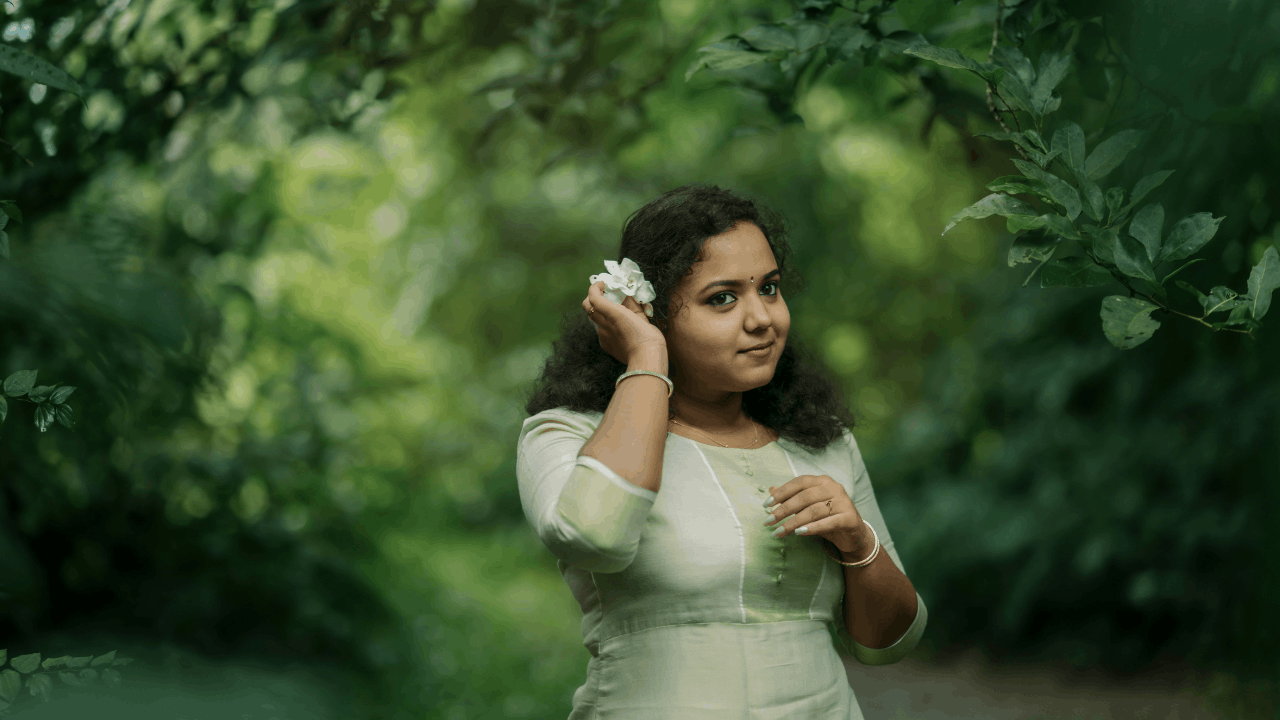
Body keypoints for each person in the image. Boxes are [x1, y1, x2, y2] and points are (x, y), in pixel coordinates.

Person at [518, 184, 927, 719]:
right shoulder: (568, 434)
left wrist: (857, 541)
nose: (762, 319)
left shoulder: (822, 443)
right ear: (650, 314)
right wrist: (645, 356)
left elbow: (889, 644)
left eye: (770, 288)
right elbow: (593, 536)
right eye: (723, 298)